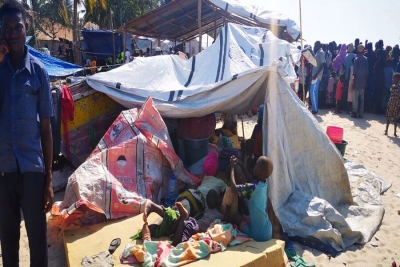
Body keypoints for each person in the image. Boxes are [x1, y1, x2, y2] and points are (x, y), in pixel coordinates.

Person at [0, 1, 54, 266]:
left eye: (17, 26)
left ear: (27, 27)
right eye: (7, 28)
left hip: (32, 169)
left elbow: (46, 129)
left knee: (37, 237)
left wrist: (48, 181)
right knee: (7, 239)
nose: (12, 32)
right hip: (4, 170)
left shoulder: (39, 73)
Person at [139, 189, 223, 246]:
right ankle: (181, 217)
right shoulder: (220, 215)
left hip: (192, 220)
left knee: (170, 230)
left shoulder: (207, 210)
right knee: (176, 242)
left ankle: (180, 218)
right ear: (218, 201)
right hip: (194, 226)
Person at [226, 156, 273, 242]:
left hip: (258, 236)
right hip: (268, 231)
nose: (254, 167)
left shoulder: (253, 187)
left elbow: (233, 188)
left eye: (256, 165)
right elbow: (250, 180)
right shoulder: (263, 184)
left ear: (260, 172)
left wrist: (232, 168)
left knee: (236, 217)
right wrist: (242, 165)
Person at [352, 44, 369, 119]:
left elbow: (355, 73)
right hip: (363, 81)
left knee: (355, 99)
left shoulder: (356, 59)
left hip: (357, 81)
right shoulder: (366, 59)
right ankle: (361, 114)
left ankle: (355, 113)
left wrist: (354, 82)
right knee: (362, 99)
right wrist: (365, 82)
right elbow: (366, 72)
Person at [309, 41, 326, 114]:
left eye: (315, 45)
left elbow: (323, 64)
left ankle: (315, 109)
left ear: (318, 45)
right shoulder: (317, 52)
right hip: (314, 75)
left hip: (317, 75)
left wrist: (317, 74)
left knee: (313, 92)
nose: (314, 46)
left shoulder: (321, 52)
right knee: (314, 92)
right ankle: (314, 108)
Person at [384, 73, 400, 137]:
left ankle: (394, 132)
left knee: (395, 118)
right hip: (391, 104)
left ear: (398, 79)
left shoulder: (398, 87)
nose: (392, 79)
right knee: (388, 118)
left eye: (394, 78)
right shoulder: (392, 86)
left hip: (396, 105)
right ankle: (386, 130)